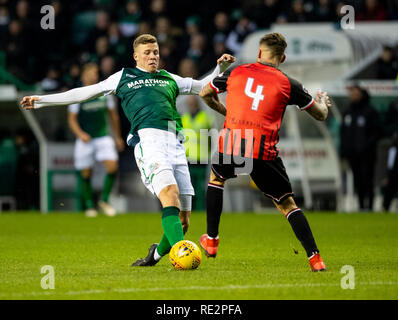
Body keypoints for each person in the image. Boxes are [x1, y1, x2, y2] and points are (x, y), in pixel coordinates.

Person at [21, 34, 235, 267]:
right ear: (136, 56)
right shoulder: (123, 77)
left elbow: (205, 87)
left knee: (183, 221)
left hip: (176, 144)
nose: (153, 56)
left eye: (155, 52)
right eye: (147, 53)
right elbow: (84, 93)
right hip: (149, 142)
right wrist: (41, 100)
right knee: (169, 195)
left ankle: (154, 255)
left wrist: (220, 67)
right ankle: (181, 255)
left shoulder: (169, 78)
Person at [199, 32, 331, 272]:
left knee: (217, 179)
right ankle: (315, 258)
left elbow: (204, 94)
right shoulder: (289, 84)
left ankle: (212, 240)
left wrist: (225, 112)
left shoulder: (236, 72)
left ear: (259, 53)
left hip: (233, 141)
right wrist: (322, 102)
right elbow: (320, 115)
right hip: (263, 149)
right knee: (287, 205)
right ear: (283, 57)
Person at [67, 63, 125, 217]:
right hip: (85, 138)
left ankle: (104, 200)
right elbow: (72, 119)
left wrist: (118, 136)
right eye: (90, 73)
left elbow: (113, 116)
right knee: (86, 173)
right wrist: (80, 134)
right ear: (83, 76)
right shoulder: (78, 94)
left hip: (103, 136)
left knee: (112, 166)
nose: (93, 76)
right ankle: (89, 205)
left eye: (95, 73)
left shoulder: (105, 92)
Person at [340, 85, 381, 211]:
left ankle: (370, 206)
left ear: (362, 95)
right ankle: (361, 206)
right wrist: (344, 150)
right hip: (353, 155)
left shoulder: (370, 112)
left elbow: (377, 132)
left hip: (367, 154)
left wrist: (366, 146)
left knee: (368, 180)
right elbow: (343, 133)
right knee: (357, 181)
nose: (353, 96)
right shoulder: (348, 112)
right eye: (352, 94)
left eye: (356, 93)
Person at [181, 96, 213, 211]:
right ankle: (189, 210)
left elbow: (211, 136)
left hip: (201, 157)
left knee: (199, 187)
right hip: (187, 158)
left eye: (193, 103)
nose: (191, 106)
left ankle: (200, 210)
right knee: (188, 188)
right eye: (189, 104)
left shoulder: (205, 118)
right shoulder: (183, 118)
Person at [382, 98, 398, 212]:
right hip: (395, 147)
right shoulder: (394, 105)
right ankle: (386, 206)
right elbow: (386, 125)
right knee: (392, 174)